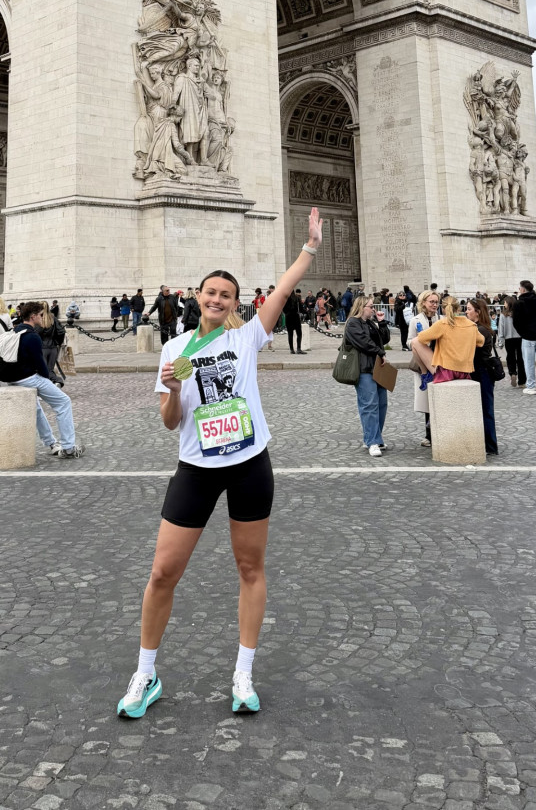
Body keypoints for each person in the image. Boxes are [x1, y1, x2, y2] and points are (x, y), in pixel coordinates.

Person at [116, 206, 325, 722]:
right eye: (210, 292)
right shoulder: (178, 349)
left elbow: (282, 289)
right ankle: (146, 672)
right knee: (163, 571)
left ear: (236, 303)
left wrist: (311, 248)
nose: (216, 299)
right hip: (195, 468)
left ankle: (244, 672)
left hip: (249, 462)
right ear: (197, 296)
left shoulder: (246, 337)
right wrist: (168, 390)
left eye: (226, 295)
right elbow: (171, 422)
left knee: (250, 567)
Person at [0, 301, 83, 457]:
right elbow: (41, 365)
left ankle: (52, 443)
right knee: (63, 402)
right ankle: (68, 447)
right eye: (40, 315)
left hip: (12, 379)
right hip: (28, 378)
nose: (42, 317)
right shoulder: (32, 336)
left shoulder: (15, 331)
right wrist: (48, 378)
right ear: (33, 317)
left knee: (37, 408)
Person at [344, 295, 391, 457]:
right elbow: (363, 342)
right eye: (371, 306)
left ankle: (374, 437)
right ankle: (372, 441)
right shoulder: (352, 323)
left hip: (377, 368)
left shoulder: (370, 323)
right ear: (362, 307)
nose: (373, 309)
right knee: (369, 405)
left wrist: (382, 322)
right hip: (364, 369)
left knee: (382, 403)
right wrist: (380, 352)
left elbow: (383, 340)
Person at [407, 290, 440, 446]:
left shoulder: (442, 319)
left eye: (436, 302)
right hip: (423, 364)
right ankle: (429, 435)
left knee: (439, 397)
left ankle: (440, 431)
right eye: (431, 301)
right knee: (427, 399)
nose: (434, 304)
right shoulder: (415, 320)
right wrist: (420, 341)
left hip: (439, 361)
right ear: (423, 302)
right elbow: (409, 342)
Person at [466, 297, 499, 455]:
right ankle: (487, 444)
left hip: (482, 371)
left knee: (486, 408)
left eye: (469, 309)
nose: (466, 312)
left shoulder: (480, 330)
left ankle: (490, 446)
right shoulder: (480, 327)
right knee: (483, 408)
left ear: (477, 312)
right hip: (480, 370)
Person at [497, 295, 525, 387]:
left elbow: (501, 329)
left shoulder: (503, 315)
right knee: (521, 359)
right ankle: (522, 381)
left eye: (505, 302)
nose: (504, 304)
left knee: (510, 357)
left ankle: (513, 373)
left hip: (508, 339)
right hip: (520, 338)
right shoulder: (519, 313)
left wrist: (500, 341)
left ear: (508, 303)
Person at [284, 288, 304, 355]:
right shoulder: (297, 298)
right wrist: (306, 313)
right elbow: (301, 308)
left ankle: (292, 350)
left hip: (288, 317)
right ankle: (298, 349)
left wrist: (287, 313)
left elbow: (283, 309)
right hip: (296, 317)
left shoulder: (285, 299)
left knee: (290, 334)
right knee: (299, 333)